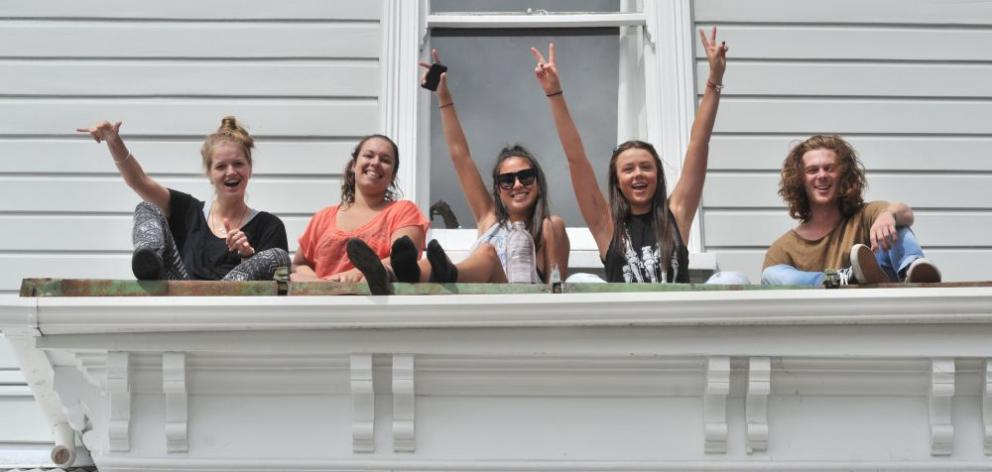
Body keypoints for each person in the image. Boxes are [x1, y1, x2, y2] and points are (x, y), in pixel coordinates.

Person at [532, 28, 732, 284]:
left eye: (646, 167)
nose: (638, 173)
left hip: (676, 320)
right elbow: (576, 159)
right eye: (628, 169)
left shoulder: (677, 214)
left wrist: (714, 79)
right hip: (626, 322)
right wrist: (554, 94)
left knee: (729, 278)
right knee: (580, 281)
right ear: (617, 181)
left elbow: (699, 144)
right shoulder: (607, 225)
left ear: (658, 176)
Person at [386, 49, 570, 286]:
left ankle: (446, 274)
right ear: (498, 188)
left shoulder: (548, 228)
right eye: (507, 180)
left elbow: (557, 288)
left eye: (525, 176)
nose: (517, 185)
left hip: (522, 309)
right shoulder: (488, 218)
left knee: (487, 254)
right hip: (479, 307)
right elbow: (460, 156)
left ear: (538, 183)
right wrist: (443, 96)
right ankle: (393, 275)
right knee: (432, 261)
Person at [77, 117, 290, 281]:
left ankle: (223, 292)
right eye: (221, 166)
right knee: (147, 207)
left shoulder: (269, 225)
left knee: (278, 257)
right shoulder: (188, 211)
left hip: (231, 302)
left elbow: (277, 288)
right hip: (182, 295)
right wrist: (113, 140)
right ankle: (149, 263)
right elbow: (139, 181)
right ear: (209, 173)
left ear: (250, 169)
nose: (231, 172)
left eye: (238, 164)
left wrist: (247, 256)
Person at [761, 135, 941, 286]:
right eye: (812, 170)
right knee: (771, 274)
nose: (822, 175)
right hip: (821, 320)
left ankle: (914, 269)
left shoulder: (864, 216)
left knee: (894, 224)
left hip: (882, 303)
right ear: (800, 180)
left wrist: (889, 215)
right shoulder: (783, 249)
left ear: (843, 174)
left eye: (829, 168)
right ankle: (843, 278)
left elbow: (906, 213)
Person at [290, 134, 430, 295]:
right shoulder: (323, 217)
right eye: (368, 155)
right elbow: (298, 265)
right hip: (323, 308)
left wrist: (360, 272)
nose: (375, 163)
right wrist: (323, 284)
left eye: (385, 160)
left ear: (392, 175)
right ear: (353, 165)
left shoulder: (403, 211)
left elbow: (402, 259)